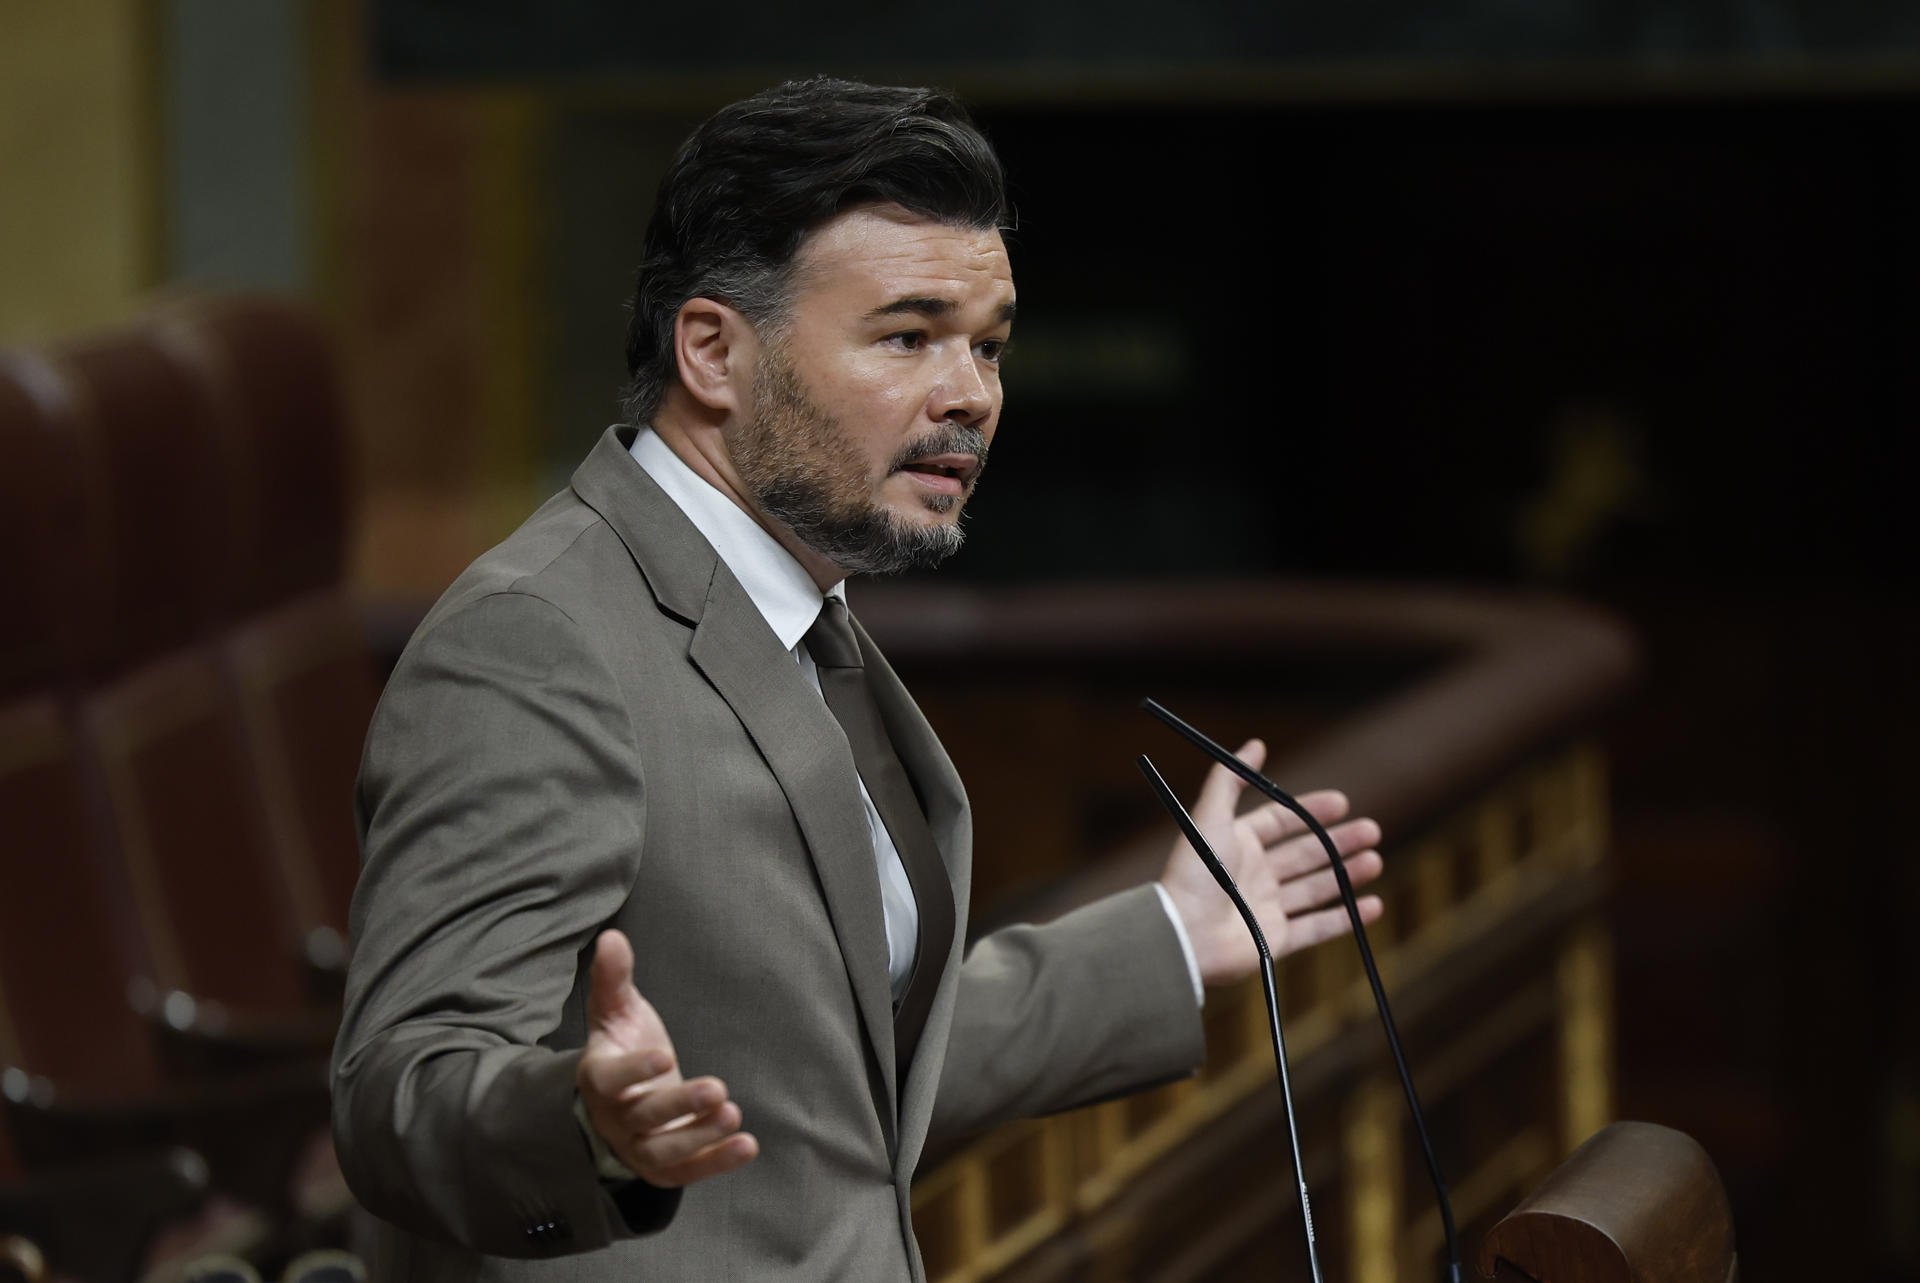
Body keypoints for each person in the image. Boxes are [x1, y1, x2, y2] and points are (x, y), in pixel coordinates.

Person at [329, 76, 1385, 1280]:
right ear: (715, 352)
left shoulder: (804, 617)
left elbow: (828, 1054)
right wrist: (583, 1128)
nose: (972, 395)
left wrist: (1170, 937)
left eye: (987, 345)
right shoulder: (535, 643)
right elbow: (399, 1086)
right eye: (907, 336)